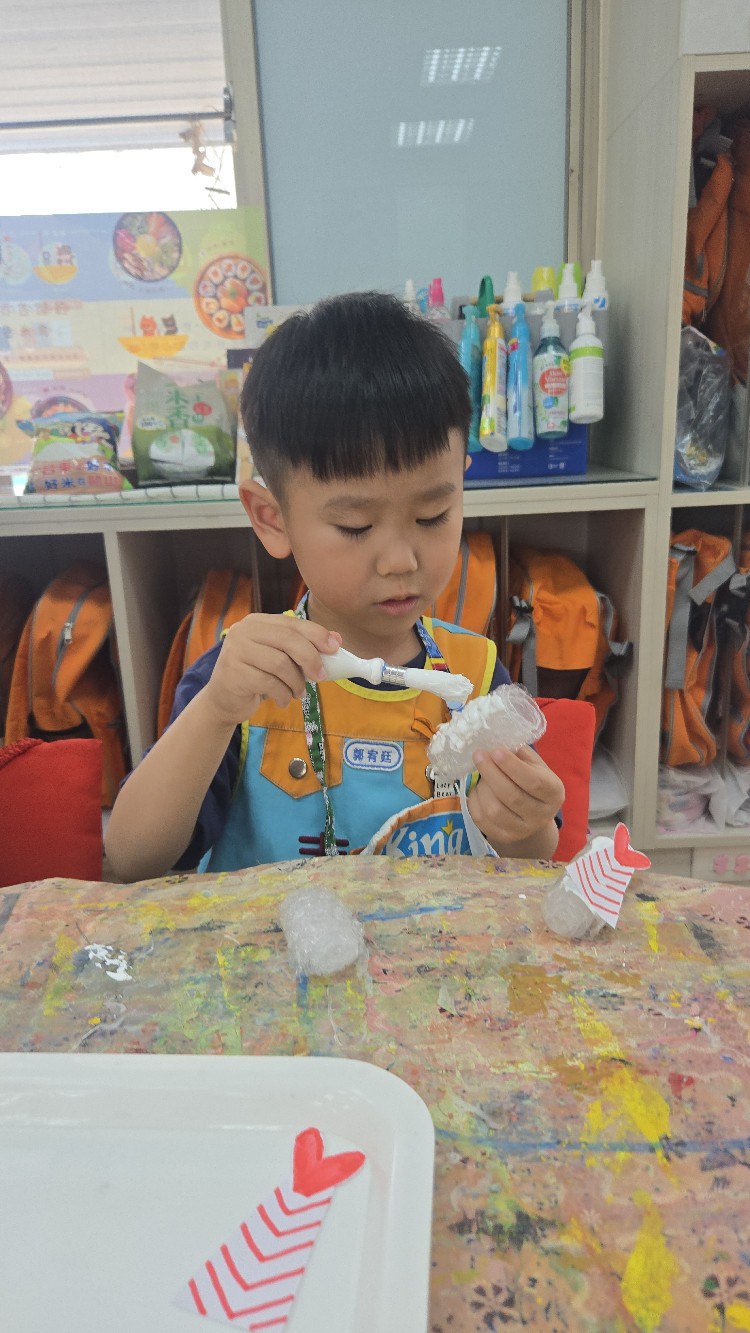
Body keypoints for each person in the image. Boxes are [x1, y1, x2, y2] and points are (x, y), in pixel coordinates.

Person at [105, 292, 563, 880]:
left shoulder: (476, 675)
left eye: (432, 516)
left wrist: (526, 824)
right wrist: (216, 710)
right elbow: (131, 860)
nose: (400, 560)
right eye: (355, 527)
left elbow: (532, 856)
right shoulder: (243, 680)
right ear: (273, 518)